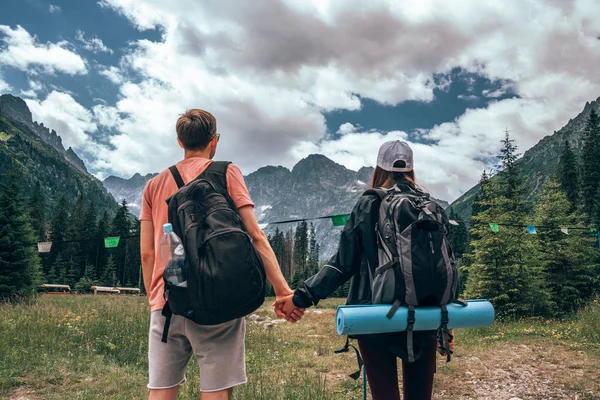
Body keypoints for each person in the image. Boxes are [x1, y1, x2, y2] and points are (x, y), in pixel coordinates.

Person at [140, 109, 302, 400]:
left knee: (161, 391)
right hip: (219, 297)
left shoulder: (153, 186)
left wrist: (155, 297)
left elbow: (147, 253)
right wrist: (282, 292)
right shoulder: (227, 172)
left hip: (167, 300)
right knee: (216, 392)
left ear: (180, 141)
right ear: (214, 141)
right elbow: (255, 236)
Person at [276, 141, 443, 400]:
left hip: (375, 314)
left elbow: (343, 263)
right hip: (425, 313)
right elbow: (441, 266)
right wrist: (446, 322)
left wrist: (300, 298)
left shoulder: (371, 202)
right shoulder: (429, 205)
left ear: (379, 167)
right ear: (411, 168)